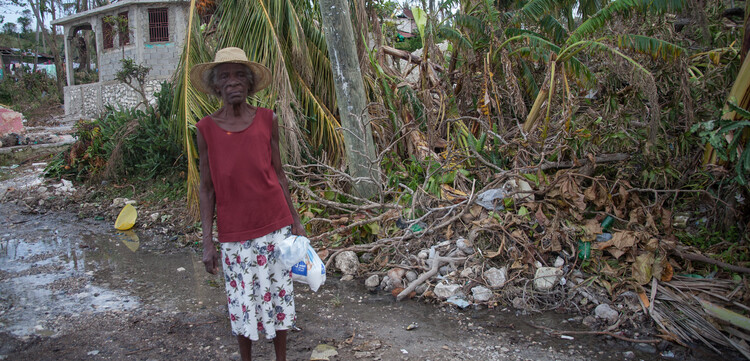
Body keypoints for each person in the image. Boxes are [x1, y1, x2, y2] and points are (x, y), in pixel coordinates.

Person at [190, 47, 306, 361]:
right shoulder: (206, 130)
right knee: (242, 305)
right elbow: (206, 189)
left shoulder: (268, 119)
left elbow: (279, 173)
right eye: (225, 76)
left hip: (274, 225)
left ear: (250, 83)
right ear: (216, 86)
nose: (233, 82)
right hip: (234, 234)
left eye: (240, 75)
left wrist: (295, 220)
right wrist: (207, 242)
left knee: (280, 302)